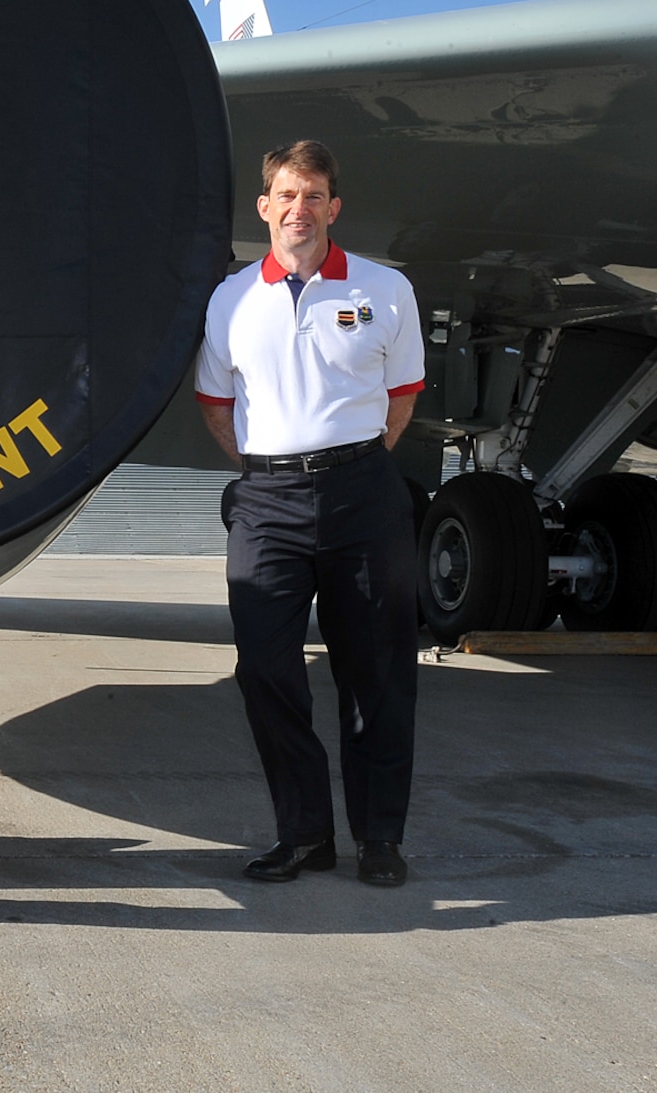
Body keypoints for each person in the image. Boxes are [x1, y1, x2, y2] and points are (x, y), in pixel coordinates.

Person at [194, 140, 425, 889]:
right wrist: (272, 467)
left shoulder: (386, 289)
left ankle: (380, 838)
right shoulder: (230, 298)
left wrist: (342, 463)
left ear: (334, 206)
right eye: (287, 196)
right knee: (264, 669)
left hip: (364, 493)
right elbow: (216, 403)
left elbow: (402, 398)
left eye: (315, 195)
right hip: (267, 502)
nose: (301, 209)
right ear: (264, 207)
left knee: (378, 675)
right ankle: (303, 835)